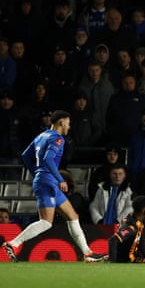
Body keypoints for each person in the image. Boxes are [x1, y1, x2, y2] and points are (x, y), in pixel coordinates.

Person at [2, 110, 107, 262]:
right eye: (68, 123)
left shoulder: (41, 136)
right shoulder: (57, 138)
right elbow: (49, 159)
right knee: (46, 222)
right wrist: (60, 179)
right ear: (61, 122)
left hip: (46, 180)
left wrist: (37, 172)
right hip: (49, 182)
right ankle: (13, 243)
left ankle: (87, 253)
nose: (69, 127)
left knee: (73, 217)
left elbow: (25, 155)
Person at [108, 195, 145, 263]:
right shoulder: (131, 227)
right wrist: (113, 262)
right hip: (128, 260)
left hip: (132, 256)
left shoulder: (137, 223)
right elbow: (113, 240)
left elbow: (141, 244)